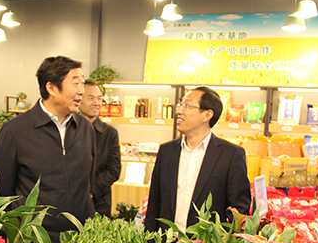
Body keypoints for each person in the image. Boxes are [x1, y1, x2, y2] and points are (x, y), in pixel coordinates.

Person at [0, 55, 96, 243]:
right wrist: (15, 240)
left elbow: (88, 183)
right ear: (51, 87)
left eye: (82, 82)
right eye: (75, 82)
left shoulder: (85, 129)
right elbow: (0, 193)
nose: (82, 90)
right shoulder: (16, 131)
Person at [144, 86, 251, 234]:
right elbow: (154, 204)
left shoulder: (231, 155)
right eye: (180, 104)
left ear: (207, 115)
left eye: (187, 105)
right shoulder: (167, 151)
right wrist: (149, 241)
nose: (179, 111)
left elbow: (239, 211)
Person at [78, 79, 121, 217]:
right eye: (91, 98)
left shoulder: (110, 133)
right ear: (78, 99)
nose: (96, 103)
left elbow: (114, 169)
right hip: (71, 199)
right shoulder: (69, 129)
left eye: (99, 98)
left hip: (100, 201)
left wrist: (90, 190)